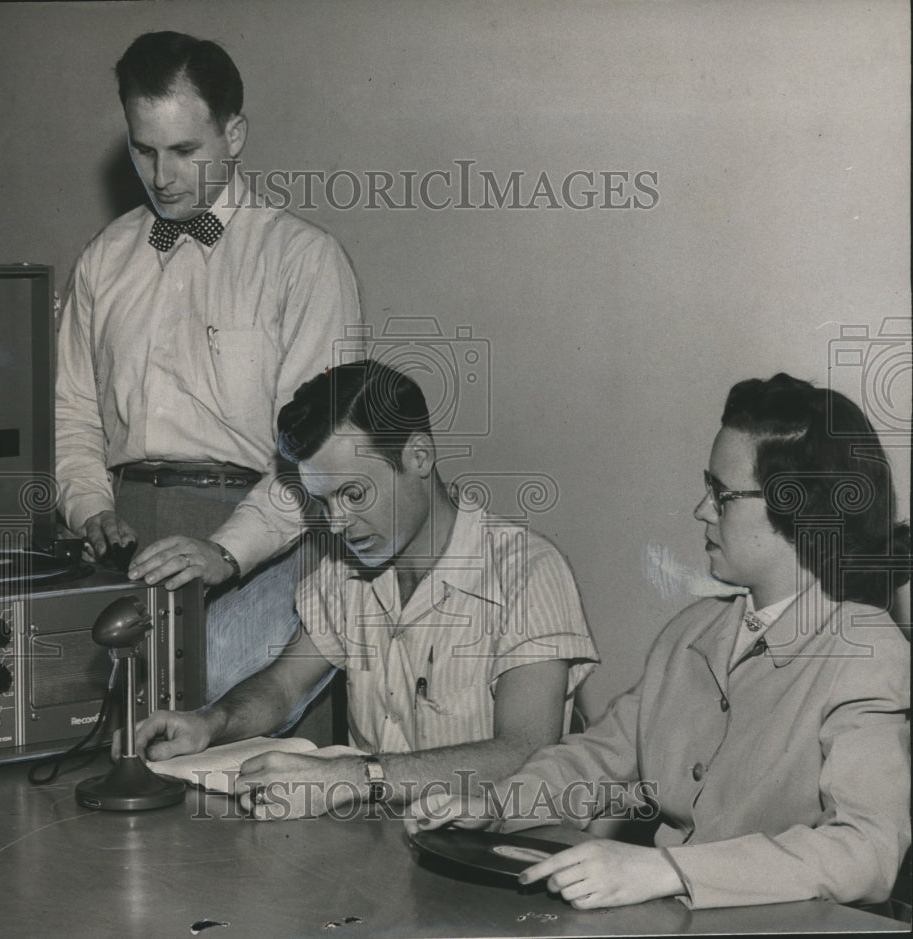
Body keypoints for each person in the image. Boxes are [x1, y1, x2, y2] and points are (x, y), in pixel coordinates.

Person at [411, 373, 911, 911]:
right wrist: (496, 804)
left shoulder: (865, 650)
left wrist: (666, 868)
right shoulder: (691, 633)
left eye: (721, 495)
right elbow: (597, 759)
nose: (701, 510)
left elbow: (868, 850)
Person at [125, 360, 599, 818]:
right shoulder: (346, 570)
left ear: (418, 456)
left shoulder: (526, 571)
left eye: (353, 494)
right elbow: (283, 685)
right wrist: (210, 722)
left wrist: (351, 777)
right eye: (322, 501)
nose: (337, 523)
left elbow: (527, 751)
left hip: (492, 852)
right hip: (382, 846)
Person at [55, 32, 362, 704]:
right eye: (144, 149)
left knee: (223, 723)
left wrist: (224, 552)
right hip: (125, 538)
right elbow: (72, 413)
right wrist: (90, 510)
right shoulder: (103, 260)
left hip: (262, 545)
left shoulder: (302, 261)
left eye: (185, 151)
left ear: (234, 133)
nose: (161, 176)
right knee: (76, 723)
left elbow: (320, 457)